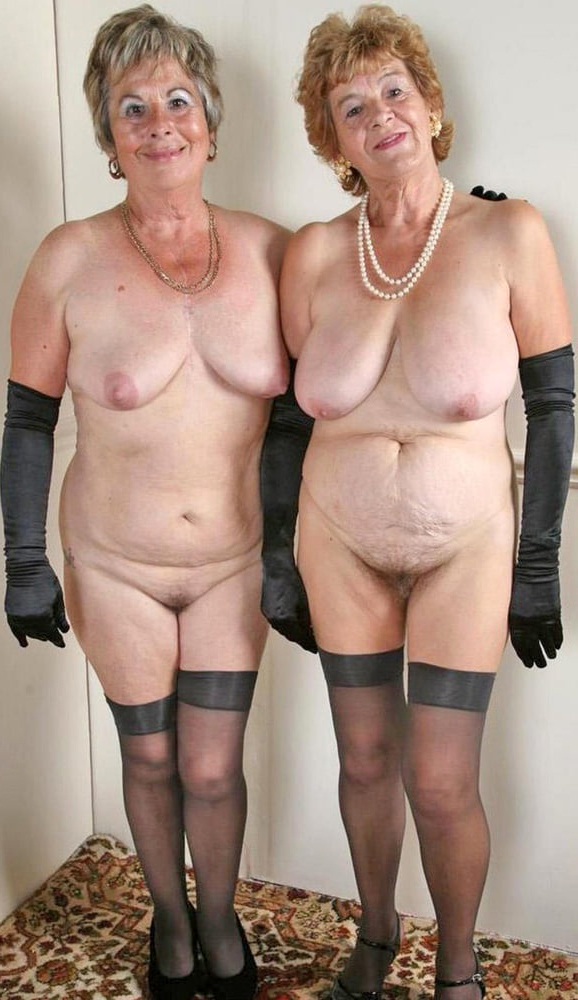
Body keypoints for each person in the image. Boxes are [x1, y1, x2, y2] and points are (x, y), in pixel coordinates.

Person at [260, 5, 574, 1000]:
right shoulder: (314, 253)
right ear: (333, 141)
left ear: (430, 106)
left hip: (464, 551)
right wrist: (276, 557)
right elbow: (286, 421)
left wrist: (536, 568)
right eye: (351, 107)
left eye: (393, 90)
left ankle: (457, 969)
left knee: (439, 781)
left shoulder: (508, 231)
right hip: (338, 544)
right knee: (362, 761)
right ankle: (374, 934)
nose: (379, 115)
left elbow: (553, 405)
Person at [1, 6, 290, 999]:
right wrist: (24, 560)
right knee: (154, 757)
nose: (159, 122)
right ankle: (170, 923)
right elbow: (28, 420)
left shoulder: (273, 250)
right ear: (109, 136)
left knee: (212, 767)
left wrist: (458, 220)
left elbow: (348, 336)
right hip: (114, 563)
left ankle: (220, 920)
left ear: (209, 122)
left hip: (231, 564)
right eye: (133, 107)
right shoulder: (66, 258)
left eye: (177, 100)